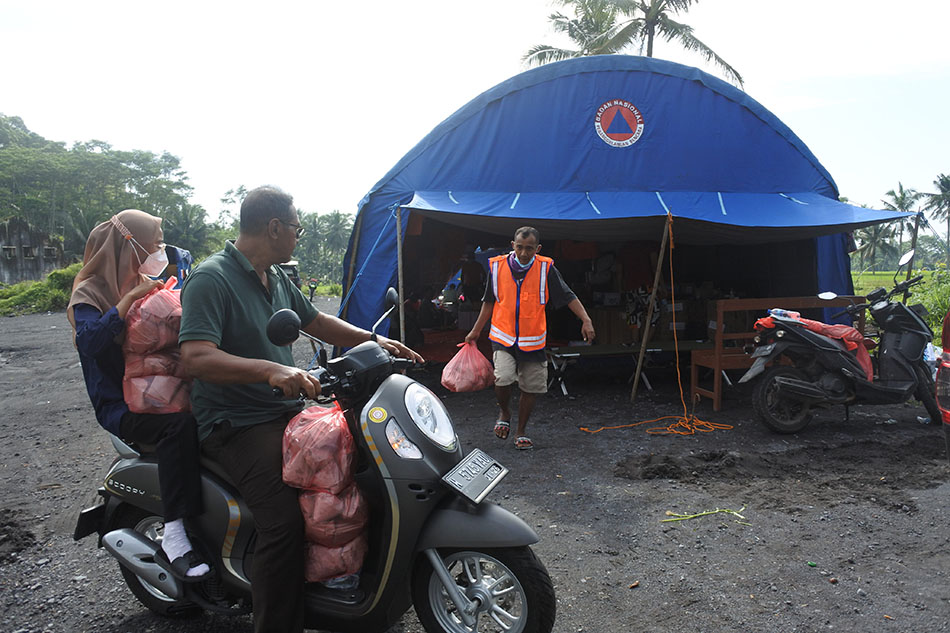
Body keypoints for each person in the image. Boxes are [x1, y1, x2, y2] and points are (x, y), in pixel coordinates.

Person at [178, 185, 422, 633]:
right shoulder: (211, 278)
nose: (298, 235)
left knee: (358, 468)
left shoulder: (275, 275)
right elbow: (194, 356)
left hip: (285, 412)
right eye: (295, 227)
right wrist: (270, 370)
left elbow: (316, 321)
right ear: (274, 227)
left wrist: (373, 339)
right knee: (284, 523)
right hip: (237, 423)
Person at [67, 209, 210, 581]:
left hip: (163, 390)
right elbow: (91, 342)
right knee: (178, 429)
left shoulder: (148, 279)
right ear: (129, 244)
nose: (161, 248)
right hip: (120, 405)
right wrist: (128, 299)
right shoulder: (90, 290)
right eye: (156, 241)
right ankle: (175, 535)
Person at [464, 226, 595, 450]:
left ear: (538, 248)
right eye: (521, 247)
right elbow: (489, 301)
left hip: (533, 339)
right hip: (503, 335)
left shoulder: (546, 268)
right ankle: (504, 411)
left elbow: (568, 295)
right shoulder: (497, 266)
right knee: (503, 378)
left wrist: (586, 320)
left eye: (530, 249)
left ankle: (521, 431)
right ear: (513, 245)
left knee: (530, 387)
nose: (524, 253)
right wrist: (476, 330)